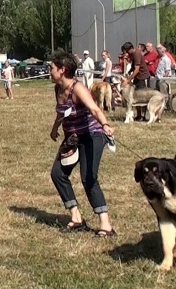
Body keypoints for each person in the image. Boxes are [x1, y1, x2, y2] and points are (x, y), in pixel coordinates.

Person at [48, 52, 116, 237]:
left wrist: (105, 125)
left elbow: (94, 108)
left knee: (89, 178)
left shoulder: (78, 89)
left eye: (52, 68)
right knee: (58, 174)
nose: (50, 71)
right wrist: (55, 128)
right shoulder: (58, 89)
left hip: (92, 135)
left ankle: (106, 225)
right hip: (73, 137)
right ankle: (76, 217)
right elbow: (61, 112)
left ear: (62, 70)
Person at [121, 42, 151, 121]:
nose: (127, 53)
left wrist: (128, 80)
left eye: (127, 51)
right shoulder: (133, 55)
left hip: (143, 77)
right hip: (137, 78)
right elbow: (133, 67)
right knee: (135, 96)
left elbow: (137, 69)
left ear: (131, 48)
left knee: (143, 96)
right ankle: (138, 115)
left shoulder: (137, 54)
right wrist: (128, 71)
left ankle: (143, 116)